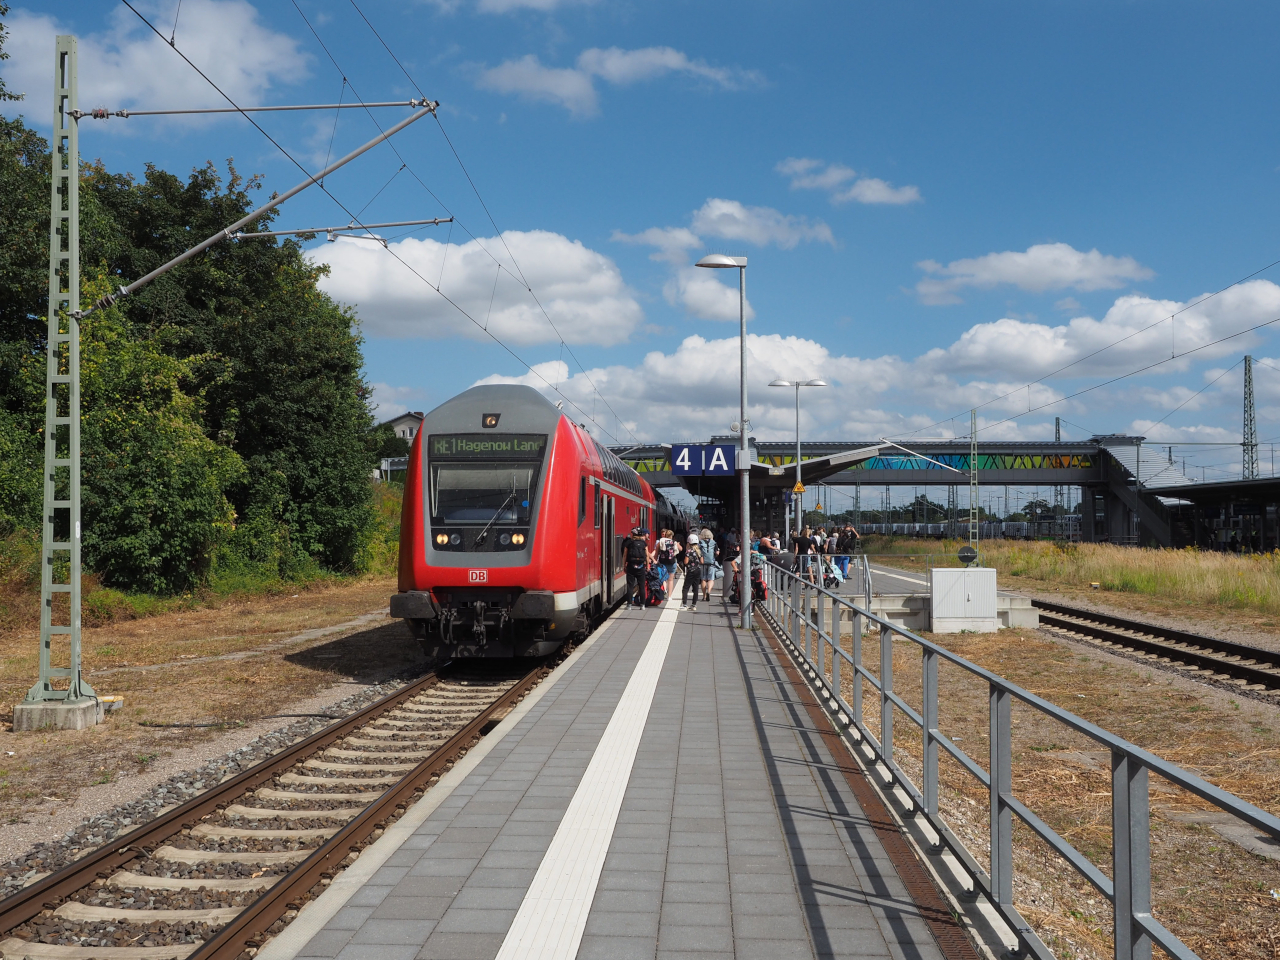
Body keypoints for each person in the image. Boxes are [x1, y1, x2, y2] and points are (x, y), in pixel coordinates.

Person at [621, 526, 651, 607]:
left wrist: (624, 565)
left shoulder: (629, 543)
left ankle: (629, 604)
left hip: (631, 566)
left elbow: (625, 555)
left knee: (630, 586)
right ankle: (642, 605)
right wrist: (647, 566)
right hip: (641, 567)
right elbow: (647, 555)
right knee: (641, 586)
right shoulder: (644, 543)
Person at [680, 534, 703, 611]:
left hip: (691, 571)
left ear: (689, 543)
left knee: (685, 588)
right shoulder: (699, 551)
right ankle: (694, 605)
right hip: (698, 570)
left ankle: (684, 605)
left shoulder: (688, 552)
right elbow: (702, 561)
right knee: (695, 588)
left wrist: (689, 562)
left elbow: (686, 562)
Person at [655, 528, 678, 593]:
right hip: (672, 562)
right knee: (670, 580)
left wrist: (655, 561)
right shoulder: (674, 542)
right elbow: (679, 550)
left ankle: (664, 590)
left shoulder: (660, 542)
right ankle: (670, 596)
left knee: (662, 578)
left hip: (662, 562)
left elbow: (656, 553)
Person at [699, 528, 719, 602]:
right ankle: (709, 591)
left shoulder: (700, 542)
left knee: (703, 579)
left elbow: (698, 552)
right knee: (711, 579)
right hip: (711, 562)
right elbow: (717, 553)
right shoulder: (714, 542)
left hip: (703, 563)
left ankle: (704, 596)